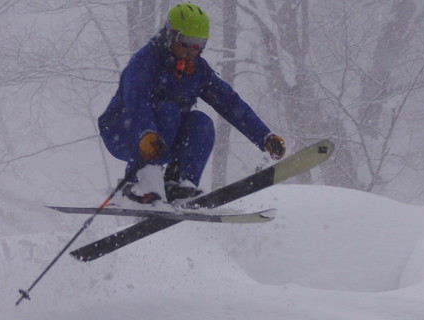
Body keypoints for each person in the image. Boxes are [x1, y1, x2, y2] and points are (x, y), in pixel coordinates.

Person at [98, 3, 286, 204]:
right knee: (168, 110)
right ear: (170, 35)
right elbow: (136, 100)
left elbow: (229, 103)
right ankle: (138, 183)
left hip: (163, 135)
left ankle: (179, 185)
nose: (191, 50)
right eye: (185, 41)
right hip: (123, 129)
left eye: (198, 43)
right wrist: (146, 131)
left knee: (201, 123)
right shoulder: (145, 61)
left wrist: (263, 136)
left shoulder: (198, 71)